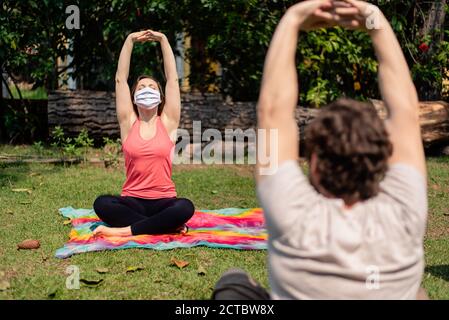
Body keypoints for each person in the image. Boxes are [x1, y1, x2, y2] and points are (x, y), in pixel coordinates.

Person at [213, 0, 428, 299]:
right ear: (382, 161)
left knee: (232, 286)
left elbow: (272, 111)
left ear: (313, 162)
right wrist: (375, 21)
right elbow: (405, 113)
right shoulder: (405, 212)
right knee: (417, 294)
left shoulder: (293, 214)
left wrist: (292, 19)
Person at [92, 30, 194, 237]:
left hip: (164, 201)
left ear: (159, 95)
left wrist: (164, 39)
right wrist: (129, 40)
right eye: (141, 87)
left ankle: (124, 231)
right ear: (134, 96)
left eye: (152, 86)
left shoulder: (168, 122)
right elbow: (120, 79)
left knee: (185, 207)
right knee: (101, 203)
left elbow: (173, 80)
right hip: (133, 201)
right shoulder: (129, 123)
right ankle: (165, 226)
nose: (147, 89)